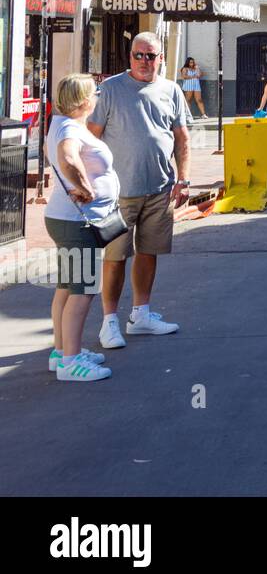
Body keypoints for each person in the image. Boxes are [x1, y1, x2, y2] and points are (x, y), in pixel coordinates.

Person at [89, 32, 189, 349]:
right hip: (118, 192)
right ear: (130, 57)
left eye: (151, 55)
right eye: (138, 55)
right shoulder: (110, 90)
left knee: (149, 252)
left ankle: (140, 315)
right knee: (115, 257)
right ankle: (109, 323)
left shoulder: (172, 91)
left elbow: (182, 139)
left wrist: (183, 179)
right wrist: (91, 184)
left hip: (160, 188)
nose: (144, 61)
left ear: (161, 57)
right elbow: (90, 138)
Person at [45, 74, 119, 381]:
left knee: (67, 287)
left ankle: (62, 352)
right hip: (78, 222)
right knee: (84, 290)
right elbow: (68, 158)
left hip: (68, 220)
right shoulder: (68, 128)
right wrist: (83, 185)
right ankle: (70, 363)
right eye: (96, 92)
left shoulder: (63, 124)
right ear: (84, 99)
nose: (99, 96)